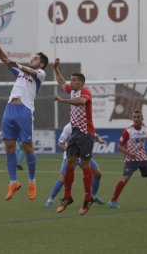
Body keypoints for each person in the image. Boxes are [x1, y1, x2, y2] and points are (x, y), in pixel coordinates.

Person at [0, 40, 48, 201]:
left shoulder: (40, 74)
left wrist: (16, 63)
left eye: (36, 58)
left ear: (42, 64)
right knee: (9, 147)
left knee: (27, 148)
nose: (33, 59)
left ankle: (32, 182)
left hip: (24, 110)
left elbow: (29, 70)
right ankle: (13, 182)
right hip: (10, 109)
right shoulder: (21, 72)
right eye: (33, 58)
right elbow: (5, 60)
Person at [53, 58, 95, 216]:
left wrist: (63, 100)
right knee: (70, 162)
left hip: (86, 133)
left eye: (74, 81)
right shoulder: (72, 89)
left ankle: (87, 199)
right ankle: (67, 197)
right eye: (71, 80)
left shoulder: (85, 92)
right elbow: (61, 82)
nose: (71, 83)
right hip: (75, 133)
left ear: (81, 82)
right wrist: (56, 69)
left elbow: (80, 102)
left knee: (85, 165)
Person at [46, 122, 106, 208]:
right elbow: (60, 143)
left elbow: (93, 135)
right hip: (71, 157)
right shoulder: (68, 127)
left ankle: (93, 196)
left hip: (83, 155)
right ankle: (50, 199)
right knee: (63, 179)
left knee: (98, 174)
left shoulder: (87, 124)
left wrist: (99, 140)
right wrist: (72, 152)